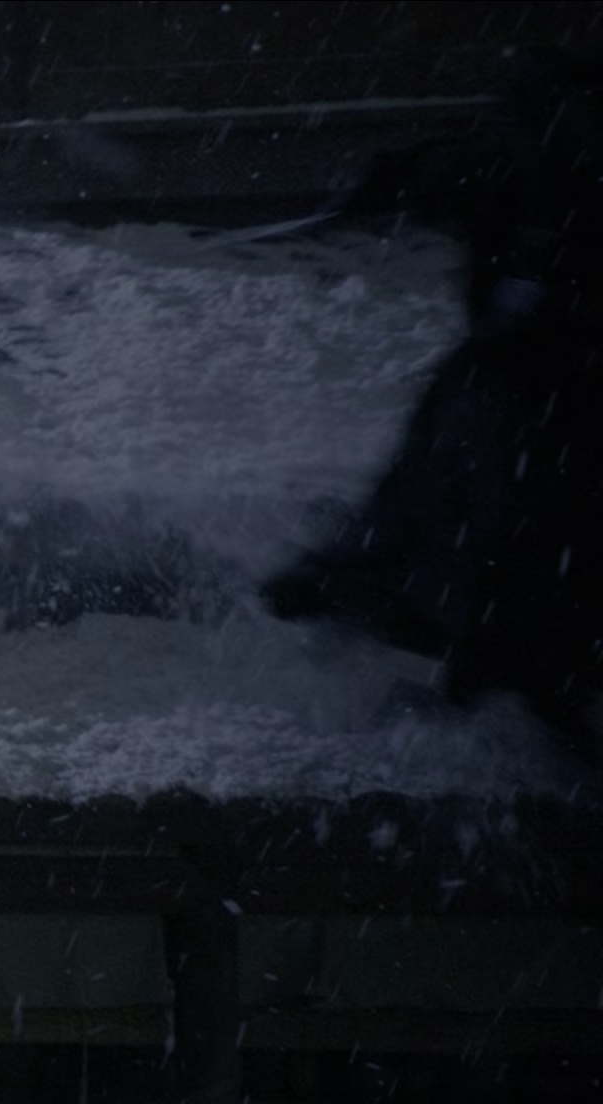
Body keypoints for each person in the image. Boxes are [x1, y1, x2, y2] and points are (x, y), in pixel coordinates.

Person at [262, 47, 603, 756]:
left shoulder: (541, 165)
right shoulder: (514, 162)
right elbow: (448, 172)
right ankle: (474, 666)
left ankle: (489, 676)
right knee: (500, 522)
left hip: (545, 395)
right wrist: (388, 183)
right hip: (526, 391)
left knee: (515, 534)